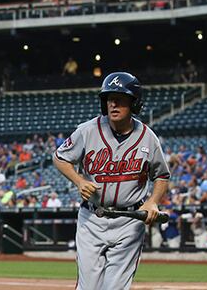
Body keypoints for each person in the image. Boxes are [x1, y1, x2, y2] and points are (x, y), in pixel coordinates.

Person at [53, 71, 170, 290]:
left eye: (120, 99)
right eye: (109, 99)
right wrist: (79, 181)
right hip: (92, 217)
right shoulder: (87, 130)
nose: (113, 104)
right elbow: (59, 158)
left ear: (134, 103)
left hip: (129, 221)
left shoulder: (148, 137)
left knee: (115, 288)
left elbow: (162, 176)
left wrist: (153, 201)